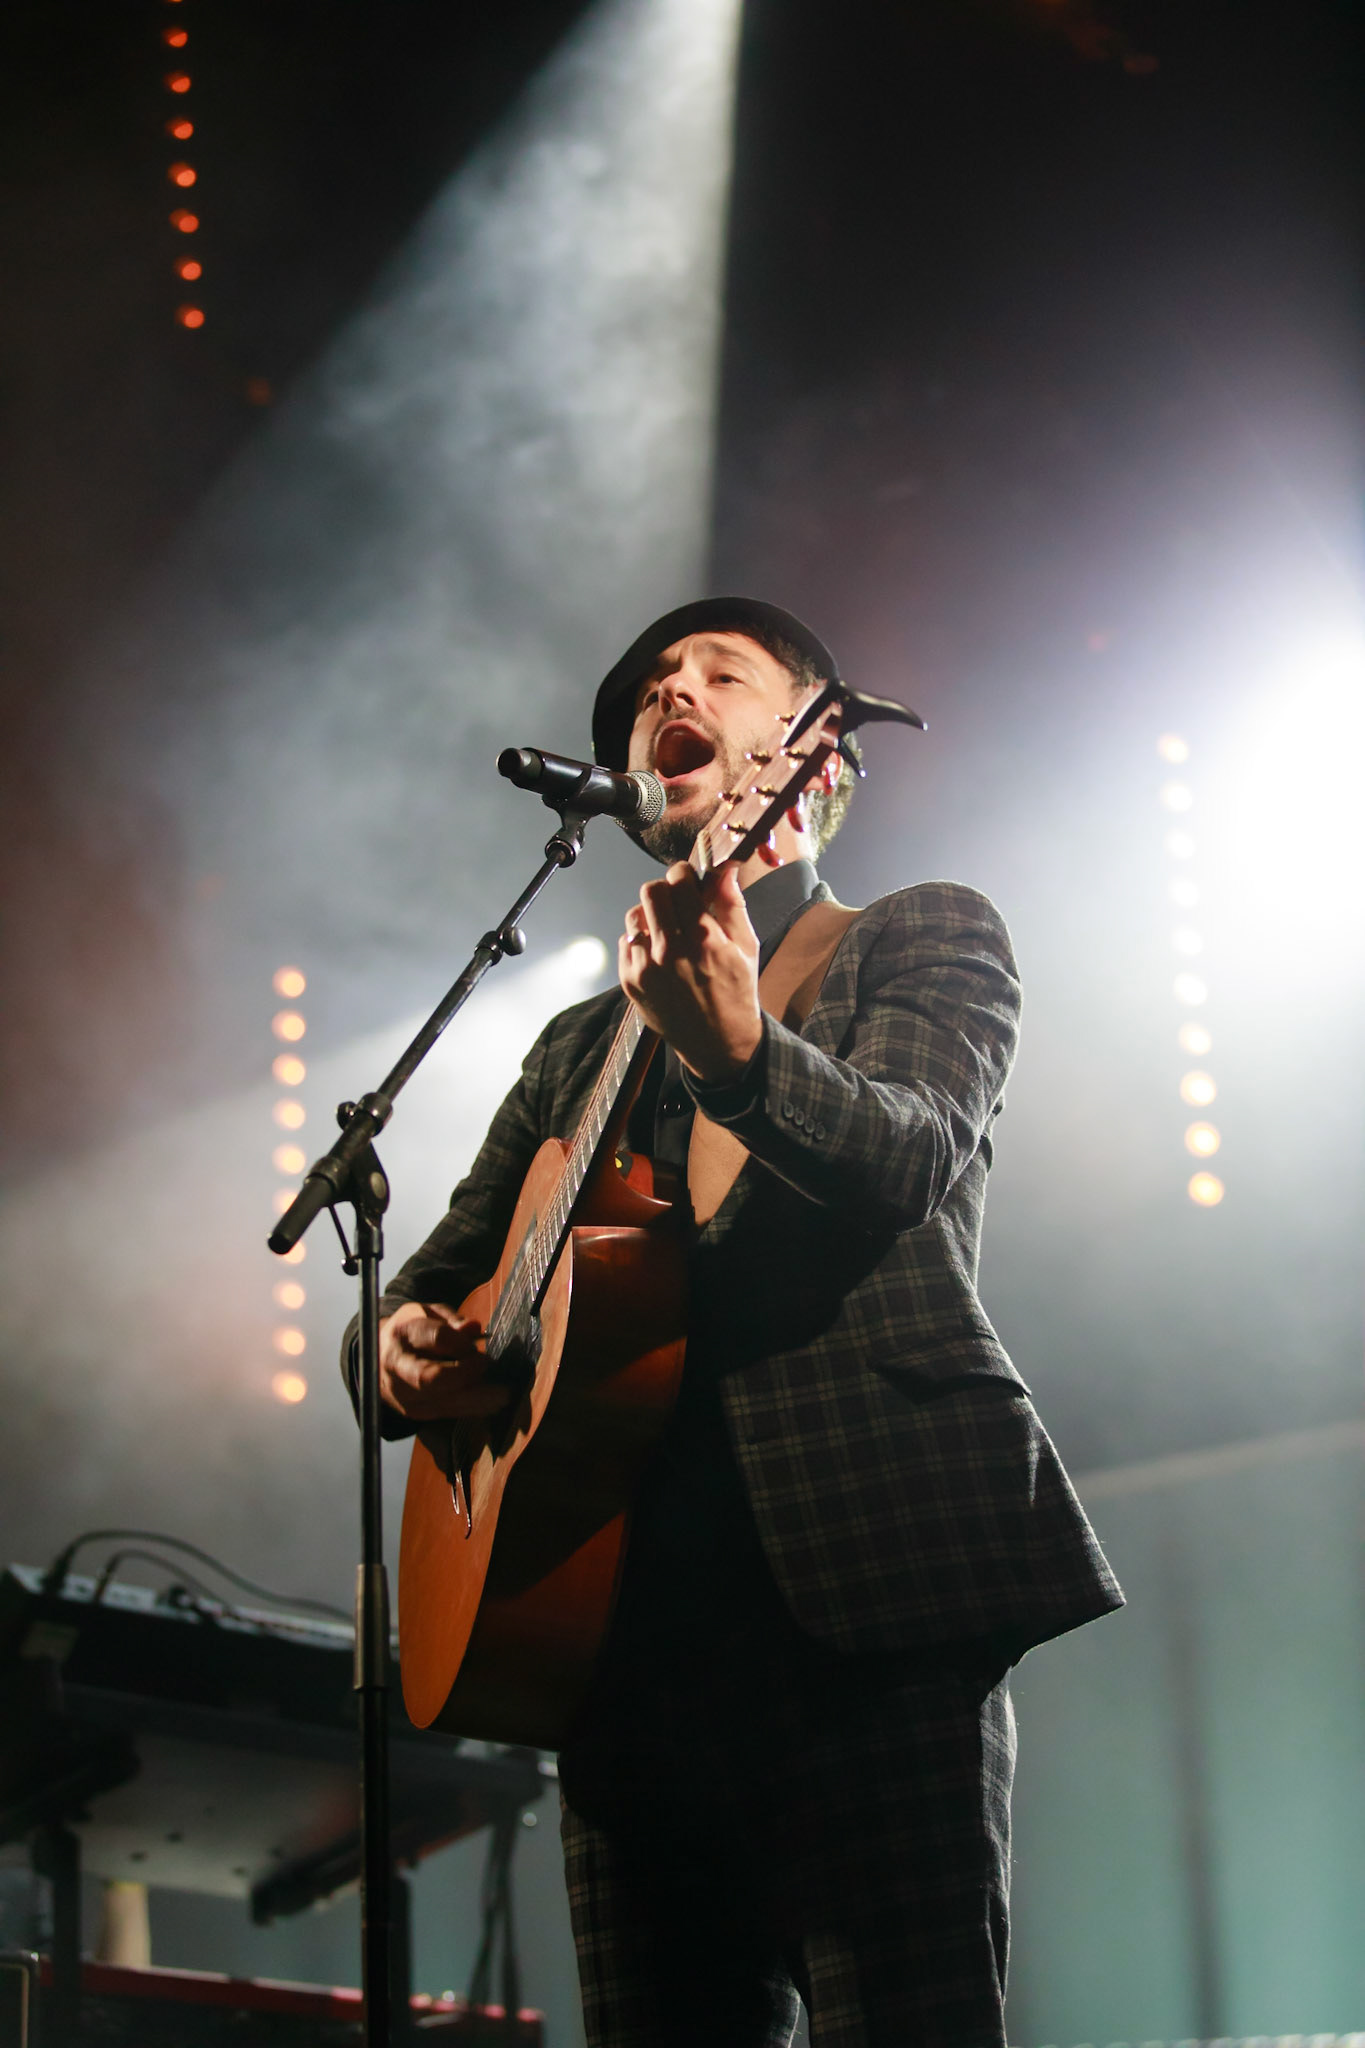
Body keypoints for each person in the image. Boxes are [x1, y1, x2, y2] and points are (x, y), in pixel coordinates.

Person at [345, 597, 1123, 2048]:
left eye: (718, 673)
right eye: (648, 686)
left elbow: (906, 1155)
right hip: (609, 1639)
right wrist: (395, 1354)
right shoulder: (572, 1044)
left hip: (856, 1597)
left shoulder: (915, 934)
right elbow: (429, 1283)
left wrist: (741, 1056)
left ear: (812, 756)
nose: (668, 691)